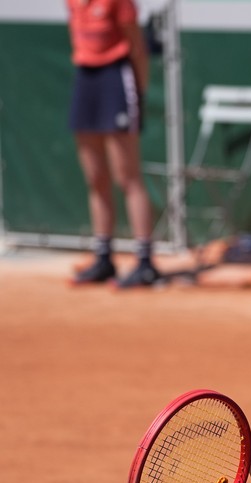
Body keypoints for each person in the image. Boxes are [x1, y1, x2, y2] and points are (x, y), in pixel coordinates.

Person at [66, 0, 160, 288]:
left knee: (127, 176)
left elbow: (138, 48)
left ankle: (145, 262)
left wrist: (138, 94)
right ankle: (103, 258)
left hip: (117, 78)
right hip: (86, 77)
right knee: (95, 177)